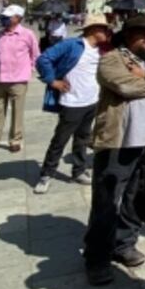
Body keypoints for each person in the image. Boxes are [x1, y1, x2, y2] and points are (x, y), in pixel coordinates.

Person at [84, 15, 145, 286]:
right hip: (119, 140)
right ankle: (97, 257)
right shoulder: (112, 58)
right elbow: (124, 85)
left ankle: (124, 244)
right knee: (108, 198)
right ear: (128, 36)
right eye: (142, 33)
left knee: (138, 195)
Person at [33, 14, 112, 194]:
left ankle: (78, 170)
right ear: (93, 30)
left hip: (91, 101)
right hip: (72, 102)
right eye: (104, 29)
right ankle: (47, 174)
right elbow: (43, 59)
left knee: (83, 139)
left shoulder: (101, 50)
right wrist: (52, 81)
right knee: (60, 140)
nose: (107, 32)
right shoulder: (72, 45)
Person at [0, 5, 39, 154]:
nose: (4, 19)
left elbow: (35, 55)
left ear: (18, 18)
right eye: (4, 17)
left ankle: (15, 140)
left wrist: (30, 69)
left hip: (18, 79)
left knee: (17, 111)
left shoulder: (27, 34)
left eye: (8, 17)